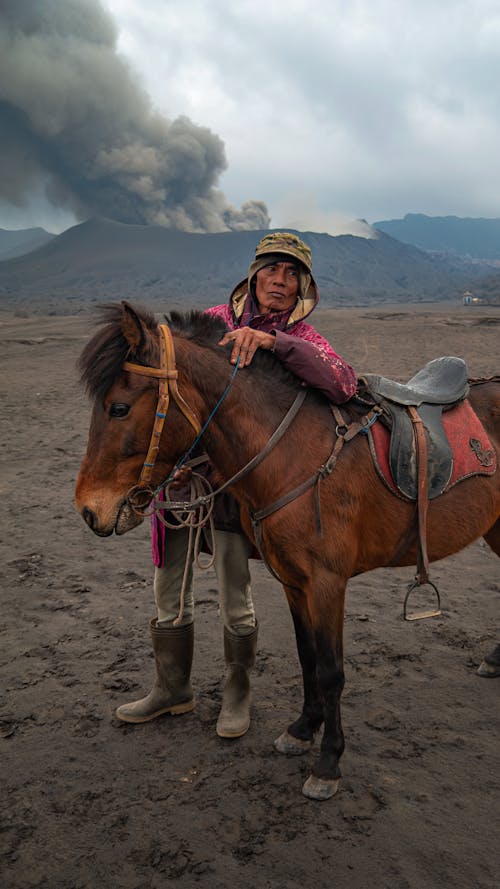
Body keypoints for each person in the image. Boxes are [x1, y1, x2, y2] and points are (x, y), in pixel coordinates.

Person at [115, 232, 358, 737]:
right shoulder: (213, 326)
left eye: (293, 275)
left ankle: (237, 692)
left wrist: (276, 342)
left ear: (303, 288)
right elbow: (167, 388)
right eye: (273, 269)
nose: (281, 281)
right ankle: (171, 688)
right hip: (182, 481)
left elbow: (343, 382)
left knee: (234, 590)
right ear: (253, 275)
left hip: (239, 492)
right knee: (169, 586)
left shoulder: (304, 341)